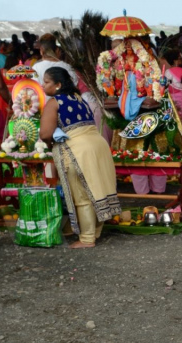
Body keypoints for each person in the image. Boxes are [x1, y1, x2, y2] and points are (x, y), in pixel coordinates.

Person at [39, 67, 121, 248]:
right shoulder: (79, 99)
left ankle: (87, 238)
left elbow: (45, 133)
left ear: (58, 85)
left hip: (78, 150)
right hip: (98, 146)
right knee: (96, 190)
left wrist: (49, 144)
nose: (42, 85)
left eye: (46, 82)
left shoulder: (54, 102)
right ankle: (94, 232)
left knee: (82, 194)